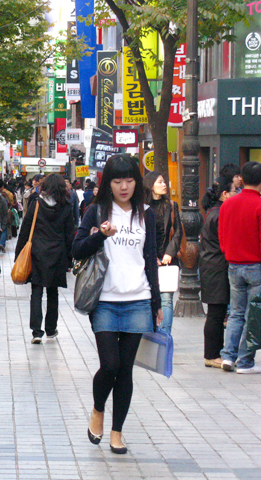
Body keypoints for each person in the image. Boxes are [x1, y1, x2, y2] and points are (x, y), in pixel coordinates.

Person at [72, 154, 162, 455]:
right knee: (110, 364)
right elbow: (77, 248)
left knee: (125, 371)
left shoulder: (146, 214)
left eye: (129, 180)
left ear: (137, 182)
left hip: (138, 299)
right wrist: (100, 236)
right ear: (107, 182)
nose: (124, 186)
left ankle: (117, 431)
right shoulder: (96, 211)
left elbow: (150, 260)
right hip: (105, 301)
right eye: (117, 180)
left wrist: (156, 302)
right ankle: (98, 409)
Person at [16, 174, 74, 343]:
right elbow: (69, 233)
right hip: (57, 252)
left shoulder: (37, 204)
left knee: (36, 289)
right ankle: (50, 328)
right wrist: (70, 258)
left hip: (37, 251)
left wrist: (19, 252)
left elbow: (26, 228)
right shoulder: (66, 206)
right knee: (52, 291)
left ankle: (36, 331)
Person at [218, 161, 261, 374]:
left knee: (235, 312)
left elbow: (222, 235)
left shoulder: (228, 204)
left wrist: (228, 252)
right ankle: (245, 361)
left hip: (234, 264)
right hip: (256, 266)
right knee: (252, 314)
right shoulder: (259, 205)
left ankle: (227, 355)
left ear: (242, 179)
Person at [199, 177, 236, 368]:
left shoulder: (214, 212)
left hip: (212, 267)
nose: (236, 194)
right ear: (225, 194)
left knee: (217, 312)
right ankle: (212, 354)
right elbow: (225, 241)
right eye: (234, 190)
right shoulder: (219, 214)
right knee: (216, 312)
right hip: (216, 268)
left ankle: (214, 353)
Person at [143, 171, 182, 334]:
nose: (164, 184)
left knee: (166, 299)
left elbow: (178, 232)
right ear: (150, 185)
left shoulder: (171, 206)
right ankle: (150, 331)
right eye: (160, 182)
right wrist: (151, 257)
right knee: (147, 298)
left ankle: (165, 335)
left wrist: (169, 253)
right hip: (147, 260)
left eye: (164, 181)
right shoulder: (142, 208)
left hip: (168, 260)